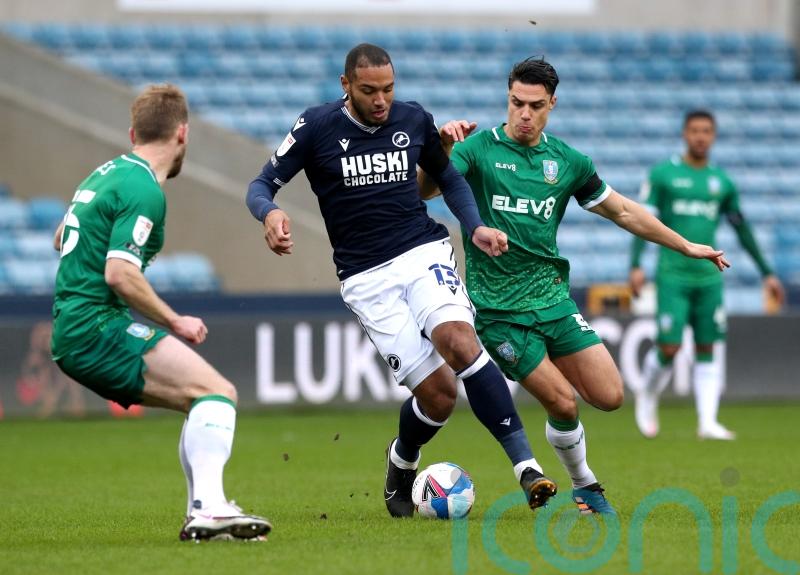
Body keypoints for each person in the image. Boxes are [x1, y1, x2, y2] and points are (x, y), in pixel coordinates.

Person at [246, 44, 557, 518]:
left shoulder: (413, 120)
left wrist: (474, 226)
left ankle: (527, 468)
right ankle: (402, 461)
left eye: (388, 89)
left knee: (458, 340)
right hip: (366, 276)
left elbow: (448, 178)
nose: (381, 100)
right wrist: (270, 213)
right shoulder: (316, 127)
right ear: (345, 85)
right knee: (438, 396)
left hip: (421, 250)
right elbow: (260, 185)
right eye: (369, 90)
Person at [418, 57, 729, 515]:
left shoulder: (566, 162)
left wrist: (684, 245)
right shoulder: (478, 149)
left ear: (552, 105)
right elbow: (427, 190)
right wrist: (441, 152)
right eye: (516, 103)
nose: (524, 114)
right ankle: (586, 485)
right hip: (499, 312)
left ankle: (578, 471)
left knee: (610, 396)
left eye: (535, 106)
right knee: (563, 402)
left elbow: (622, 210)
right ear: (508, 97)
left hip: (554, 302)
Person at [51, 85, 271, 542]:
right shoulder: (144, 188)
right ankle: (208, 507)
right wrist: (175, 320)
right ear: (183, 134)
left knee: (200, 397)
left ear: (134, 132)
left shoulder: (104, 174)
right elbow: (119, 274)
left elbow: (60, 238)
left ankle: (205, 512)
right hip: (95, 324)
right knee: (218, 391)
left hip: (75, 325)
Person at [629, 110, 784, 440]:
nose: (701, 136)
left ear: (713, 136)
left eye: (707, 131)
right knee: (669, 348)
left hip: (710, 276)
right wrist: (636, 264)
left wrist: (767, 273)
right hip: (673, 274)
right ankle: (647, 394)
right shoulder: (664, 175)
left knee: (707, 346)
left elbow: (741, 229)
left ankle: (708, 422)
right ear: (685, 134)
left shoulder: (722, 183)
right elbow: (641, 221)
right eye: (695, 130)